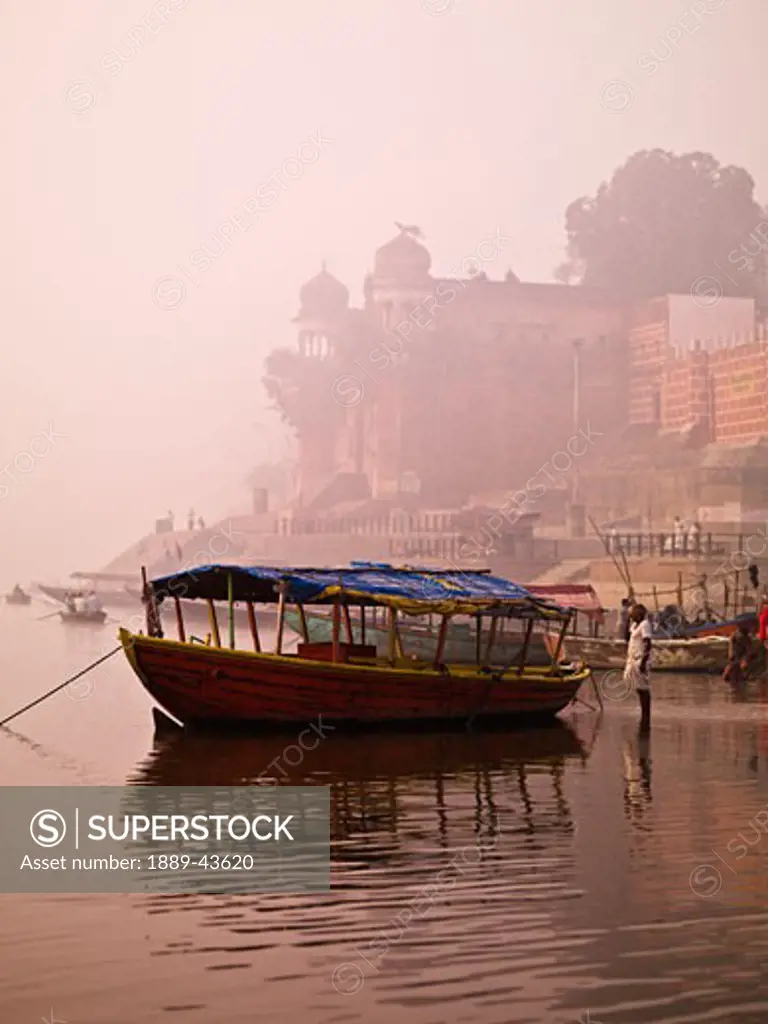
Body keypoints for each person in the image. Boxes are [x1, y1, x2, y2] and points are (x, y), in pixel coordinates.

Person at [623, 603, 653, 730]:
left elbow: (648, 644)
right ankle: (643, 712)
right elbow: (626, 638)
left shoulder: (645, 624)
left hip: (640, 659)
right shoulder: (634, 625)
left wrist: (643, 662)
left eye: (632, 613)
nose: (631, 615)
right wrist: (626, 621)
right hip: (631, 659)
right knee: (632, 682)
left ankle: (646, 715)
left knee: (643, 688)